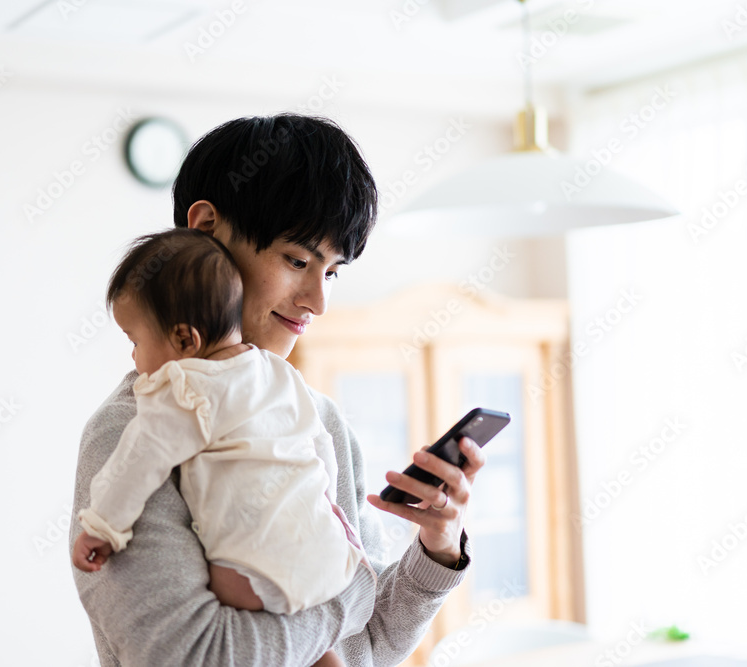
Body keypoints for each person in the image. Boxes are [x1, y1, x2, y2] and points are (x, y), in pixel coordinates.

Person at [70, 114, 487, 666]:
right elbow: (195, 655)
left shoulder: (319, 418)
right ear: (206, 228)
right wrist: (353, 595)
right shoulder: (130, 431)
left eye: (332, 273)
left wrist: (437, 548)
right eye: (298, 261)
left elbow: (368, 649)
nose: (318, 300)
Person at [71, 228, 367, 667]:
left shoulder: (182, 389)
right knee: (317, 645)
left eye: (135, 341)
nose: (135, 358)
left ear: (186, 341)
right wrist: (330, 518)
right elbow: (321, 450)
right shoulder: (283, 376)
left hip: (253, 576)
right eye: (298, 261)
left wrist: (102, 528)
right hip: (328, 556)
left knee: (240, 591)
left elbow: (139, 462)